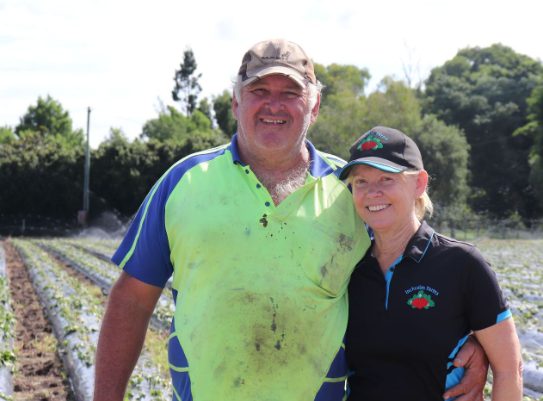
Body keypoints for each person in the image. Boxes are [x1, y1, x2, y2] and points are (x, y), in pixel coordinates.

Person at [94, 39, 489, 401]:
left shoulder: (350, 189)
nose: (273, 105)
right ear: (235, 103)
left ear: (314, 107)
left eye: (291, 93)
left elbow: (409, 276)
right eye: (259, 92)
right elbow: (131, 300)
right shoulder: (183, 182)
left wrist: (466, 341)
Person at [338, 126, 523, 400]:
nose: (372, 192)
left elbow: (509, 369)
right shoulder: (347, 267)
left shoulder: (462, 263)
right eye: (361, 182)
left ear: (419, 184)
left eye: (386, 179)